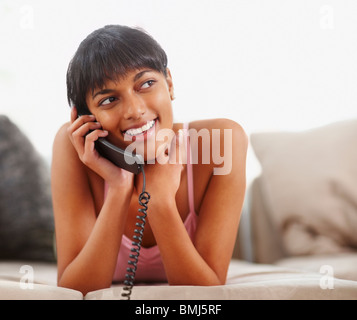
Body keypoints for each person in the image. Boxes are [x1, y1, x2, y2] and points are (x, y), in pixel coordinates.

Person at [51, 25, 247, 295]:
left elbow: (207, 294)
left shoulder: (221, 141)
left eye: (146, 84)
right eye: (109, 99)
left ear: (169, 83)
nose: (135, 110)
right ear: (87, 118)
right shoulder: (73, 147)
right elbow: (75, 289)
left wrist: (160, 201)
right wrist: (119, 187)